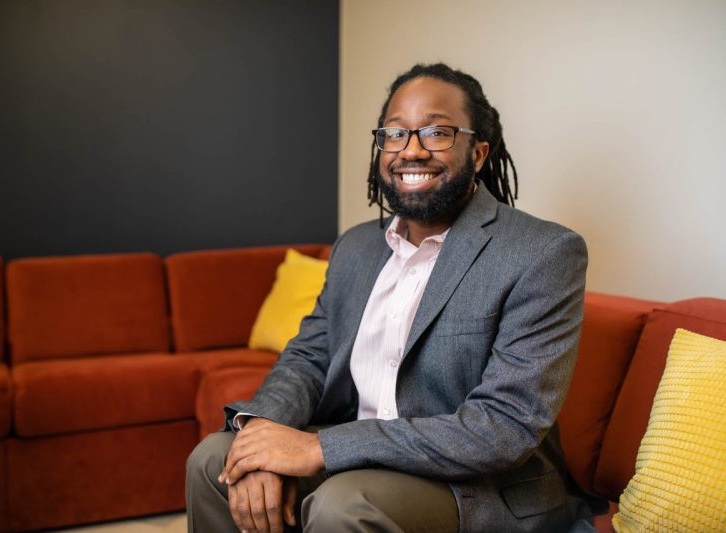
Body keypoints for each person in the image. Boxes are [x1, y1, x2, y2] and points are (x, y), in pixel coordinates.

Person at [186, 63, 594, 532]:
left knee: (346, 503)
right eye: (396, 134)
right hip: (358, 457)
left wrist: (318, 448)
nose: (412, 151)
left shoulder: (542, 252)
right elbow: (309, 359)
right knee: (215, 458)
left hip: (474, 483)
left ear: (478, 153)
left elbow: (503, 426)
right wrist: (262, 431)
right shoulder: (357, 247)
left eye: (437, 132)